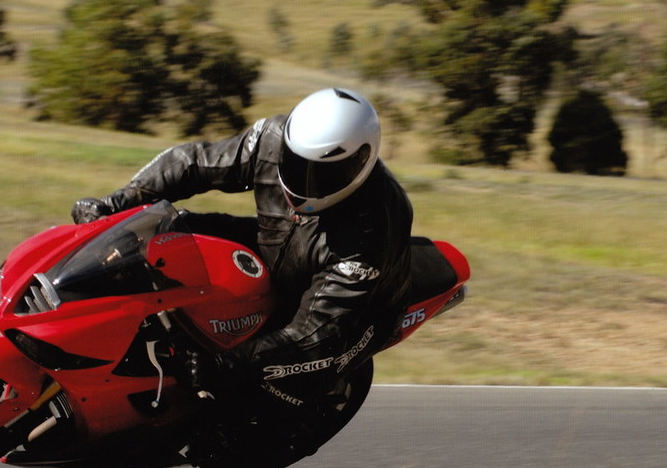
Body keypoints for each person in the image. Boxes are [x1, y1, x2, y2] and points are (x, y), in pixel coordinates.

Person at [72, 88, 413, 416]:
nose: (301, 181)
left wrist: (230, 363)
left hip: (352, 309)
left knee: (289, 372)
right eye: (294, 163)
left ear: (360, 163)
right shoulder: (272, 137)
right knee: (167, 234)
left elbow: (318, 332)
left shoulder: (374, 230)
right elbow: (194, 162)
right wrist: (114, 206)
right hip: (276, 245)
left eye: (322, 174)